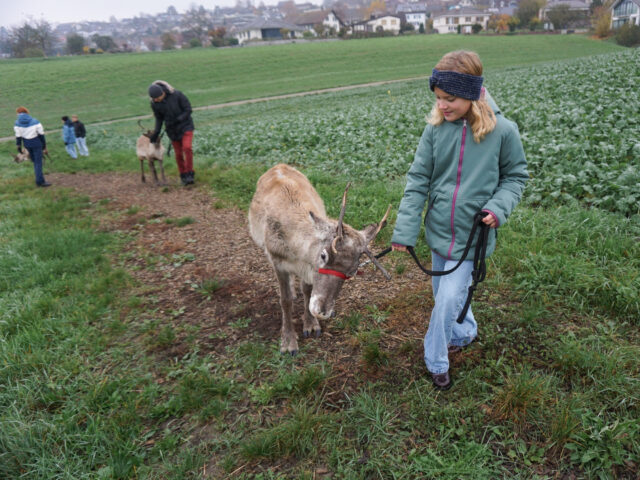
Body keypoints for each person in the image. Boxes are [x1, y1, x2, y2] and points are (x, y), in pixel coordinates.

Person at [391, 51, 528, 390]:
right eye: (437, 98)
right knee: (447, 296)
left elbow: (515, 177)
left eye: (449, 99)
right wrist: (405, 229)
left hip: (471, 236)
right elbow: (417, 180)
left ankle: (435, 359)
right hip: (438, 232)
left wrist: (498, 208)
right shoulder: (435, 131)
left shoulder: (503, 132)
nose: (441, 106)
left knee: (449, 299)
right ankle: (464, 332)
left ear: (472, 93)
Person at [147, 80, 195, 186]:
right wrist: (156, 132)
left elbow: (188, 109)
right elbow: (159, 118)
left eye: (157, 98)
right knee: (178, 154)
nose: (156, 100)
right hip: (172, 130)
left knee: (187, 148)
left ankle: (190, 173)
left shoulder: (177, 95)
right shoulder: (155, 103)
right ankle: (183, 175)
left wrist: (179, 119)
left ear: (162, 93)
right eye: (154, 99)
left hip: (185, 126)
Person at [14, 106, 51, 187]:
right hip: (36, 144)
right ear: (27, 112)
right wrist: (44, 146)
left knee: (35, 162)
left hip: (27, 144)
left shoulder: (17, 123)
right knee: (38, 163)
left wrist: (19, 146)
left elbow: (18, 136)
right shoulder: (35, 121)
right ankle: (40, 182)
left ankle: (39, 177)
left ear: (18, 113)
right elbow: (41, 135)